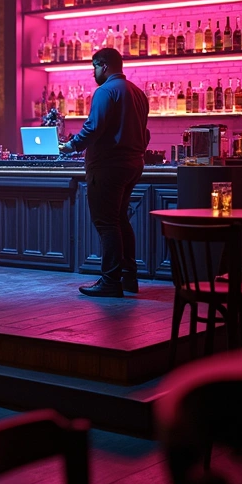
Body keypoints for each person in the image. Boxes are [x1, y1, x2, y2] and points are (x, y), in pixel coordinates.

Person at [59, 48, 149, 297]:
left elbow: (93, 127)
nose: (93, 73)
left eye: (94, 67)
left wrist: (72, 145)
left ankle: (110, 281)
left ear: (104, 66)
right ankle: (129, 278)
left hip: (108, 166)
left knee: (107, 224)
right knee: (120, 220)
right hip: (133, 165)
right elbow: (146, 133)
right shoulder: (138, 93)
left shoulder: (105, 91)